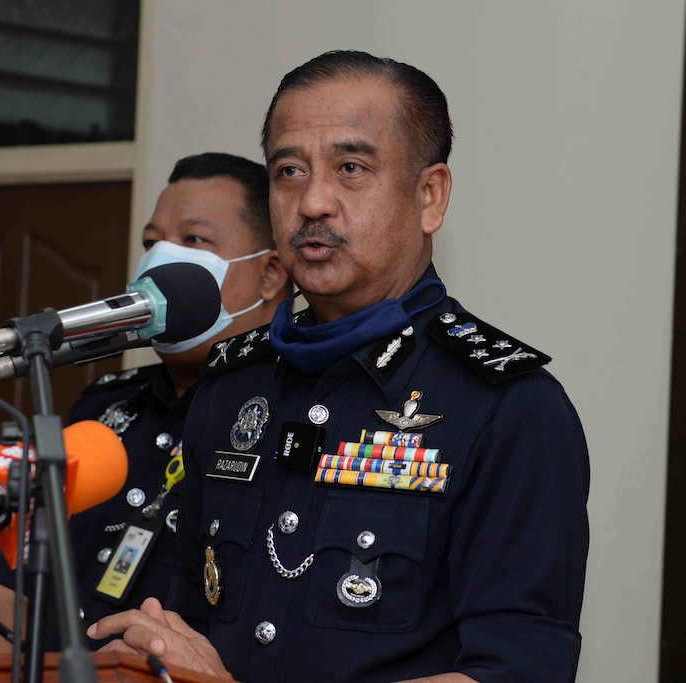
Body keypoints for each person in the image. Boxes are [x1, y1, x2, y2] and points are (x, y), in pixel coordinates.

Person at [87, 51, 590, 682]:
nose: (313, 201)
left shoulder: (508, 407)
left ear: (430, 196)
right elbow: (191, 622)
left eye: (351, 168)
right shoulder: (231, 385)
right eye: (289, 171)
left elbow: (519, 672)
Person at [0, 152, 291, 653]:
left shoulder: (294, 416)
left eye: (193, 240)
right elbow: (10, 592)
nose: (161, 258)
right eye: (151, 242)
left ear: (271, 274)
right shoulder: (103, 408)